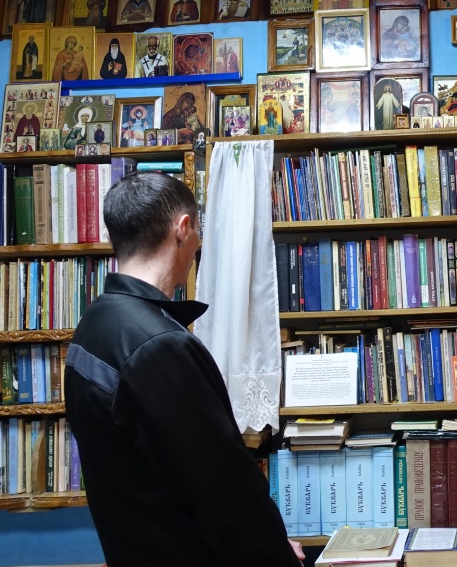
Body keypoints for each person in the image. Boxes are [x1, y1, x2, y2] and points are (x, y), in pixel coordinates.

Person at [64, 173, 306, 566]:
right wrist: (275, 555)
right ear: (183, 228)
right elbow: (223, 490)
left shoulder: (95, 322)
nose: (197, 244)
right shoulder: (159, 346)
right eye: (197, 233)